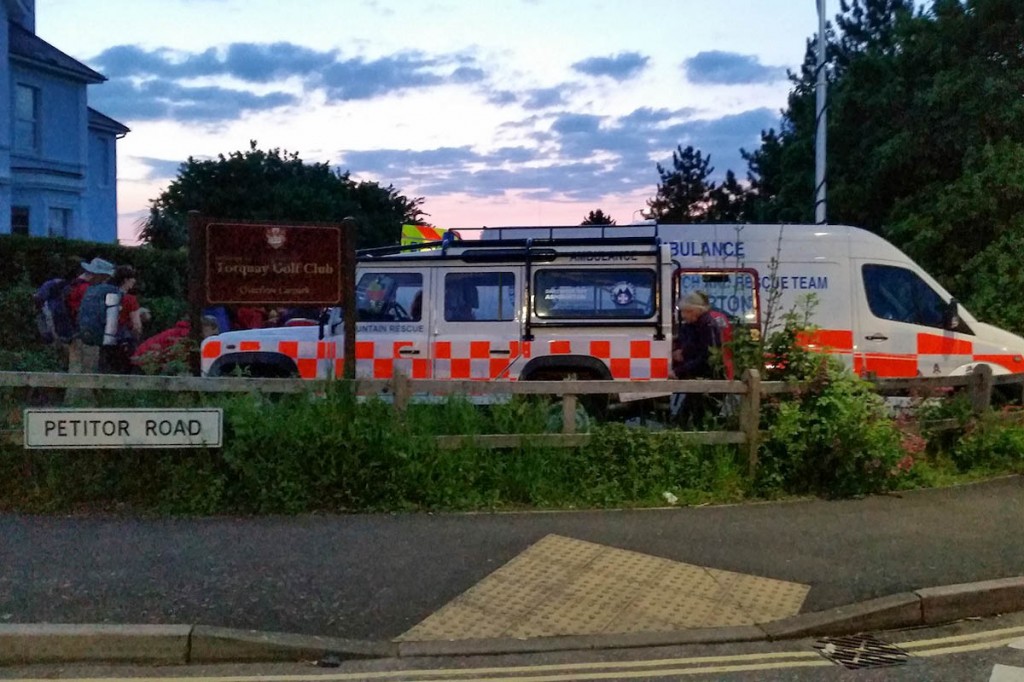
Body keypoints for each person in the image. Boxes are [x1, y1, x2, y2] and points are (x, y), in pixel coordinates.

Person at [670, 292, 724, 427]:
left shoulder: (707, 326)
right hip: (695, 376)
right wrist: (678, 350)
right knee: (689, 416)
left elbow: (707, 356)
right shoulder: (692, 325)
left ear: (696, 310)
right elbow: (687, 344)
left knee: (697, 418)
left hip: (704, 378)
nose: (684, 316)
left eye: (687, 312)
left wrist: (679, 370)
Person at [65, 257, 114, 374]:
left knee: (75, 369)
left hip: (73, 333)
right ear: (101, 275)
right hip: (87, 335)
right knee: (88, 371)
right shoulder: (89, 290)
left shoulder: (77, 286)